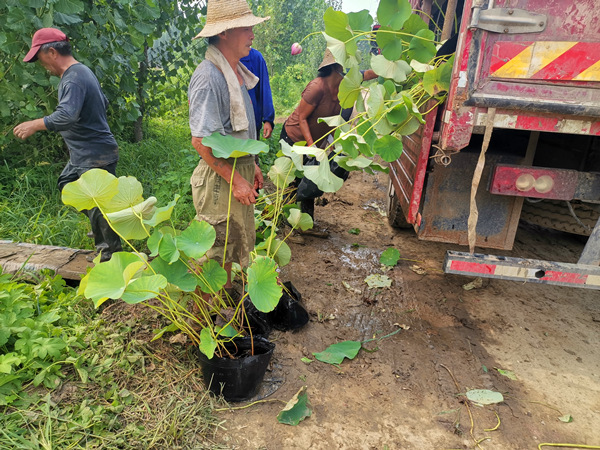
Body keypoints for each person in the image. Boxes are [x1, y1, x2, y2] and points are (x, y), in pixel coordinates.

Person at [13, 28, 122, 262]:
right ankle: (105, 221)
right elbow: (102, 102)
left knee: (96, 204)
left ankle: (109, 254)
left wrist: (35, 124)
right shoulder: (81, 72)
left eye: (39, 58)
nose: (41, 65)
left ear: (51, 52)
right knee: (67, 185)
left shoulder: (74, 77)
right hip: (86, 153)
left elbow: (66, 116)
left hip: (94, 153)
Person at [188, 0, 268, 294]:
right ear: (224, 33)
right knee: (215, 255)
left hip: (239, 172)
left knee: (232, 248)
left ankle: (225, 313)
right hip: (222, 180)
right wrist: (235, 179)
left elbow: (238, 133)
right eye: (246, 28)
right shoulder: (209, 77)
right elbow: (201, 141)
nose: (252, 34)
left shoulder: (235, 73)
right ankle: (203, 326)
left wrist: (253, 164)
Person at [280, 49, 377, 237]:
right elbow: (301, 117)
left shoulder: (345, 85)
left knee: (311, 179)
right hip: (294, 138)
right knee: (293, 181)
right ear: (335, 67)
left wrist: (391, 68)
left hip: (315, 142)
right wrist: (311, 146)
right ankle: (288, 226)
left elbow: (367, 74)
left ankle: (306, 225)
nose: (348, 69)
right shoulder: (317, 87)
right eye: (344, 64)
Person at [240, 47, 274, 139]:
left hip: (252, 121)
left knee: (251, 151)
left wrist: (268, 120)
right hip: (228, 126)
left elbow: (264, 89)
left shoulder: (255, 57)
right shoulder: (222, 58)